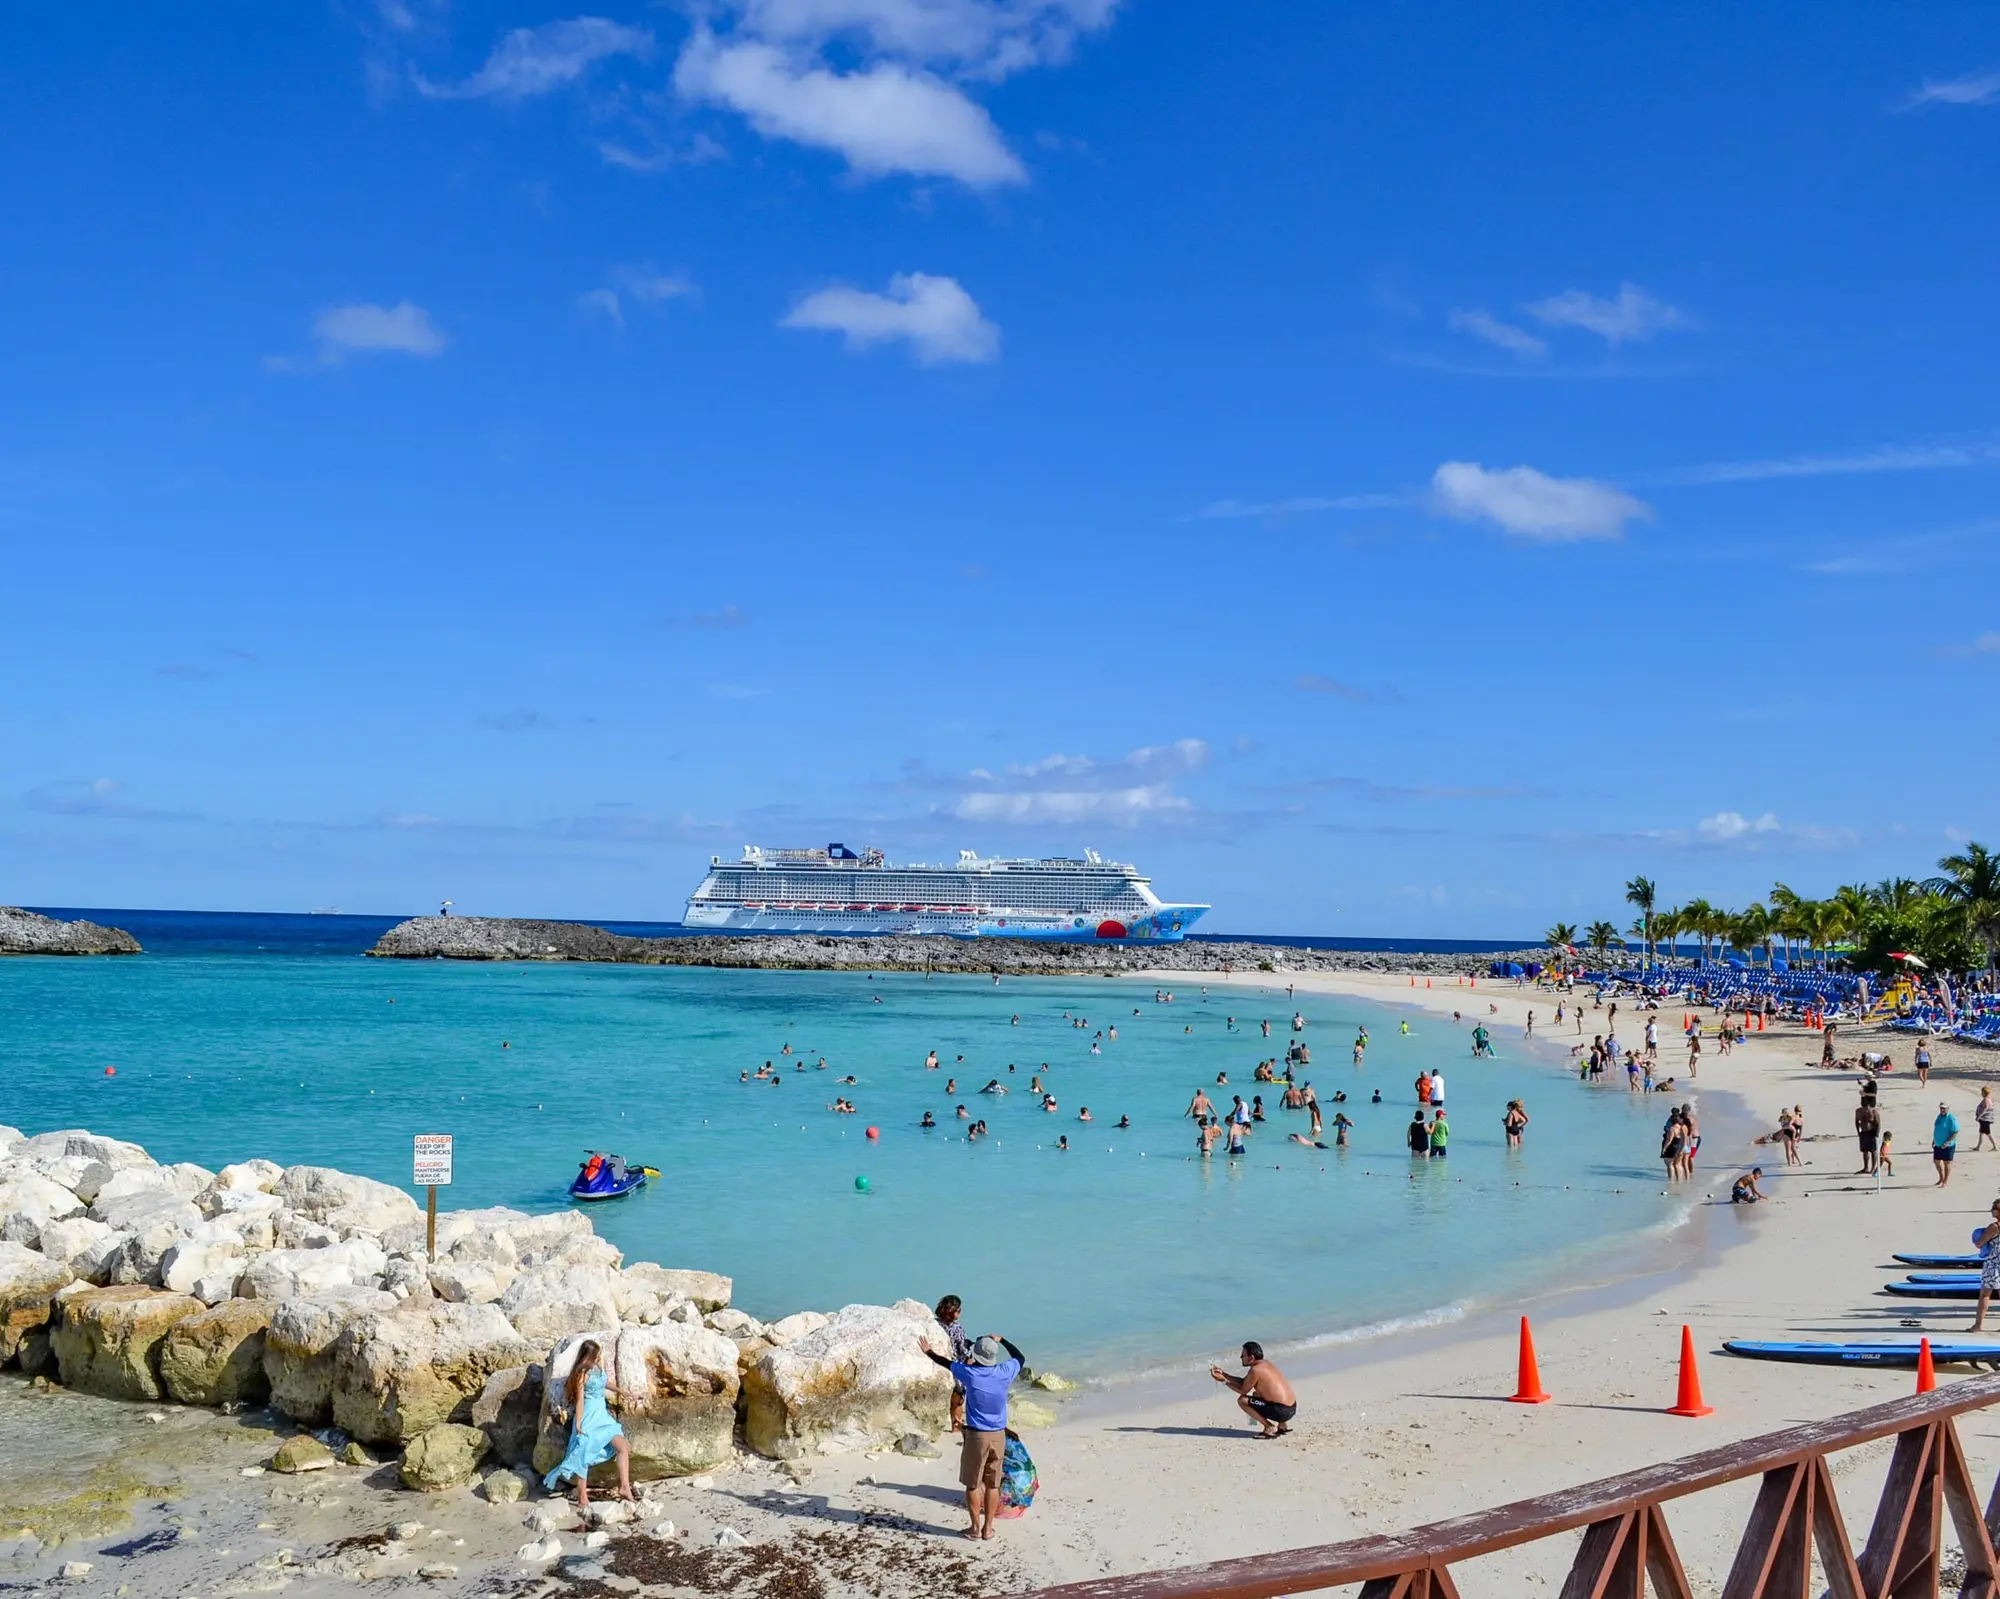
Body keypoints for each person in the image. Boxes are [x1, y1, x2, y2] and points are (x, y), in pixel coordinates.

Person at [922, 1332, 1028, 1540]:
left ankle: (974, 1528)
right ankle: (988, 1529)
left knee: (972, 1483)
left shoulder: (970, 1374)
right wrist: (1003, 1340)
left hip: (977, 1436)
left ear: (976, 1356)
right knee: (992, 1484)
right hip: (998, 1435)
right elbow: (1020, 1357)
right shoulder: (1004, 1372)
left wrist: (928, 1352)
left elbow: (946, 1363)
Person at [543, 1340, 634, 1507]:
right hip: (588, 1417)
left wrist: (623, 1392)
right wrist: (578, 1425)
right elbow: (579, 1402)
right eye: (596, 1355)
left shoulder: (597, 1367)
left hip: (603, 1416)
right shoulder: (581, 1374)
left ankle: (624, 1487)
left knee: (622, 1447)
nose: (599, 1357)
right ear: (588, 1357)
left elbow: (603, 1382)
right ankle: (582, 1497)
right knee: (582, 1454)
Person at [1209, 1341, 1298, 1438]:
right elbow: (1244, 1382)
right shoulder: (1265, 1363)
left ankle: (1269, 1427)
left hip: (1282, 1412)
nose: (1241, 1358)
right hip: (1292, 1408)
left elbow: (1243, 1390)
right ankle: (1283, 1425)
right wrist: (1224, 1374)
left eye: (1243, 1355)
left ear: (1251, 1358)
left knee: (1242, 1400)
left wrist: (1224, 1381)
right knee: (1257, 1394)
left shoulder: (1255, 1370)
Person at [936, 1295, 973, 1431]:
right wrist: (972, 1358)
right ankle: (955, 1428)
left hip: (938, 1363)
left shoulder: (935, 1324)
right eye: (959, 1310)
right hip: (954, 1367)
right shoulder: (957, 1329)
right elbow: (962, 1351)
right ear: (954, 1312)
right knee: (957, 1400)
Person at [1972, 1201, 2000, 1333]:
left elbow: (1979, 1243)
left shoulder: (1995, 1227)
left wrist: (1978, 1239)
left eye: (1994, 1207)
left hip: (1994, 1263)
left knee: (1985, 1294)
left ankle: (1978, 1325)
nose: (1991, 1210)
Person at [1935, 1101, 1961, 1187]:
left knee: (1947, 1163)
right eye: (1941, 1108)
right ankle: (1941, 1178)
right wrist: (1934, 1140)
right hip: (1938, 1144)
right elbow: (1937, 1129)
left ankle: (1945, 1181)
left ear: (1948, 1109)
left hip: (1948, 1145)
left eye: (1944, 1108)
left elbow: (1955, 1132)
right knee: (1937, 1161)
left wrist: (1947, 1142)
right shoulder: (1939, 1117)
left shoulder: (1951, 1119)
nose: (1942, 1110)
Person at [1856, 1090, 1881, 1175]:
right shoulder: (1858, 1111)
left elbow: (1878, 1123)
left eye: (1866, 1107)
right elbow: (1856, 1122)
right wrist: (1858, 1132)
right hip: (1863, 1132)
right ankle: (1866, 1167)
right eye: (1864, 1106)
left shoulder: (1874, 1112)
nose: (1865, 1109)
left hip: (1871, 1132)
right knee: (1865, 1151)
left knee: (1873, 1151)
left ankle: (1873, 1167)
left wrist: (1876, 1133)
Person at [1979, 1088, 1997, 1152]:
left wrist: (1979, 1116)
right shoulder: (1989, 1099)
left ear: (1984, 1093)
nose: (1981, 1093)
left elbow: (1985, 1109)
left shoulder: (1986, 1100)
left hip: (1985, 1119)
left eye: (1982, 1092)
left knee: (1988, 1133)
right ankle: (1978, 1146)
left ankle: (1995, 1146)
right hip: (1985, 1119)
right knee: (1981, 1132)